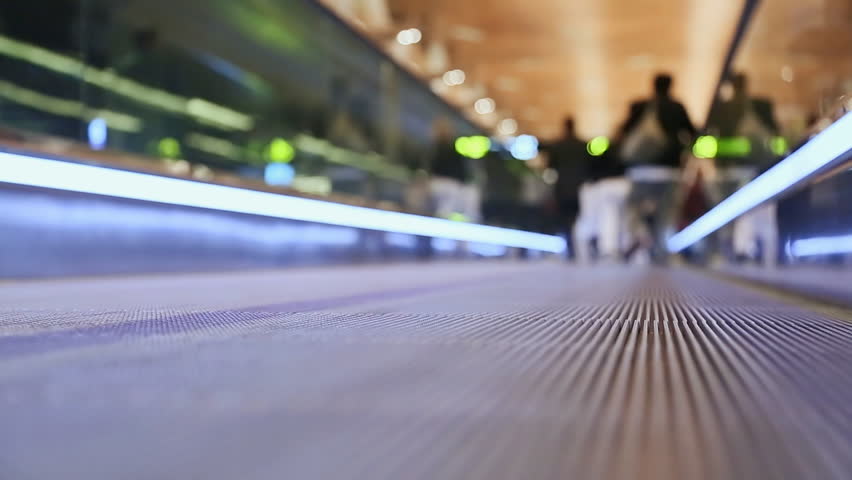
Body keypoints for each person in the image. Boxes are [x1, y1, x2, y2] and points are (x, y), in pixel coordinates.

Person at [618, 73, 696, 262]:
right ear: (671, 86)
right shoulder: (677, 107)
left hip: (640, 170)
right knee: (666, 212)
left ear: (653, 86)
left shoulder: (639, 106)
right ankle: (662, 248)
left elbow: (623, 131)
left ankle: (639, 235)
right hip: (669, 170)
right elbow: (693, 134)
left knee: (633, 207)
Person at [543, 117, 593, 260]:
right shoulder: (582, 145)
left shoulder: (558, 145)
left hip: (563, 187)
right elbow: (590, 165)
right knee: (580, 217)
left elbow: (550, 166)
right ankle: (584, 248)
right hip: (580, 187)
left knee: (565, 220)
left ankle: (571, 249)